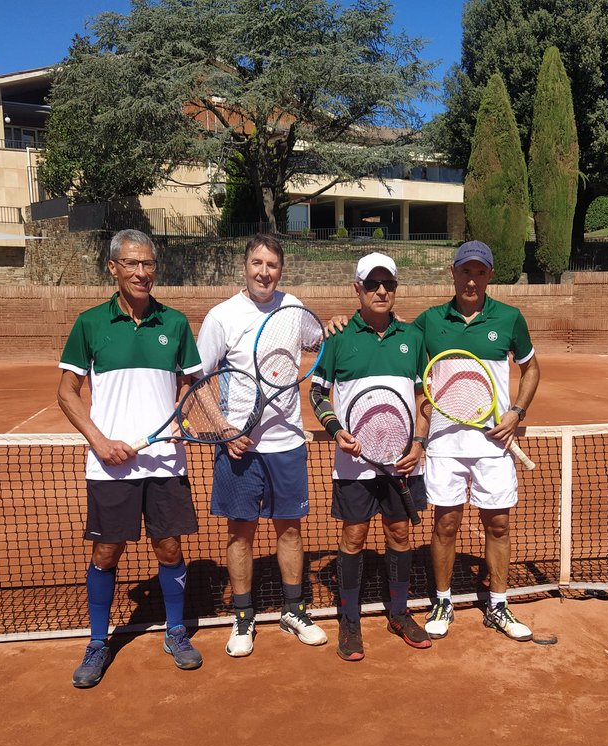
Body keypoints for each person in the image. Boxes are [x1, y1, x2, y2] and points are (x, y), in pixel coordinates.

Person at [58, 229, 205, 687]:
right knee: (106, 552)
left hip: (164, 463)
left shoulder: (175, 323)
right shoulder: (89, 324)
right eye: (132, 264)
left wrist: (181, 416)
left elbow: (190, 382)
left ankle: (176, 632)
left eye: (148, 265)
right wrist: (99, 442)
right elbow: (66, 392)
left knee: (170, 547)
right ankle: (98, 642)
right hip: (110, 465)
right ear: (113, 269)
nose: (141, 273)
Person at [195, 233, 327, 657]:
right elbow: (199, 380)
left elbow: (320, 343)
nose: (264, 272)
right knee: (241, 534)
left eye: (271, 265)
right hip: (240, 448)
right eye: (257, 263)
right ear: (245, 265)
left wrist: (335, 329)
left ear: (280, 270)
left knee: (290, 530)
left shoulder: (294, 310)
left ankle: (293, 609)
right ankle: (244, 616)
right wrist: (224, 429)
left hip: (287, 443)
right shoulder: (222, 316)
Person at [414, 240, 541, 641]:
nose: (472, 279)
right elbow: (406, 365)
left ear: (489, 275)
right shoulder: (429, 322)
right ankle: (442, 600)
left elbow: (532, 369)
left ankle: (498, 605)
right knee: (445, 524)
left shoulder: (509, 318)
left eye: (480, 272)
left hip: (493, 444)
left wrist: (516, 412)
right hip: (445, 444)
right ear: (452, 273)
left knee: (498, 524)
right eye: (465, 271)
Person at [310, 252, 432, 662]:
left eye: (389, 284)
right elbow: (316, 393)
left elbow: (423, 398)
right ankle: (350, 620)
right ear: (357, 289)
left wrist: (419, 445)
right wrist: (335, 430)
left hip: (402, 461)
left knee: (400, 535)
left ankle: (399, 613)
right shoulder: (338, 338)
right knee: (354, 537)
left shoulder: (413, 337)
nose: (382, 291)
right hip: (354, 464)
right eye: (373, 284)